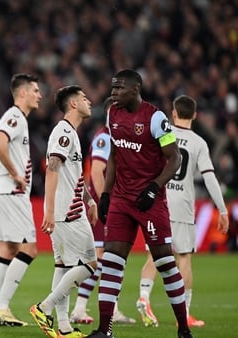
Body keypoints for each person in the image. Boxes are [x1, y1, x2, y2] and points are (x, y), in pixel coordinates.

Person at [86, 69, 192, 338]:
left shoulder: (155, 118)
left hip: (149, 200)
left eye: (118, 88)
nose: (113, 93)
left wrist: (155, 188)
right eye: (112, 88)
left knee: (166, 262)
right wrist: (106, 194)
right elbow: (113, 157)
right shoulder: (113, 114)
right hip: (121, 198)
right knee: (111, 261)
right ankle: (104, 329)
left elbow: (175, 158)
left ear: (135, 90)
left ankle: (183, 329)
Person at [135, 95, 229, 328]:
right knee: (184, 257)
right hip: (183, 207)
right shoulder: (199, 143)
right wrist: (222, 209)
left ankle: (143, 297)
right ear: (195, 116)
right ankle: (184, 316)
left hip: (158, 201)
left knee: (154, 256)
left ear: (173, 114)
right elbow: (209, 178)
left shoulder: (162, 135)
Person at [28, 85, 98, 338]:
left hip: (68, 208)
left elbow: (74, 174)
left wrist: (89, 200)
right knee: (90, 264)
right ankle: (43, 307)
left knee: (63, 266)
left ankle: (65, 328)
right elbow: (53, 168)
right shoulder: (63, 132)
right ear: (73, 104)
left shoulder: (71, 133)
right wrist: (49, 209)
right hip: (67, 212)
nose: (89, 101)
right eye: (84, 97)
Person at [70, 97, 136, 325]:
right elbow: (96, 172)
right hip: (104, 206)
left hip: (116, 204)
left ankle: (107, 308)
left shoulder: (119, 138)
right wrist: (104, 203)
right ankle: (78, 307)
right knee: (100, 259)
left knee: (111, 259)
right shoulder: (105, 138)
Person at [0, 73, 42, 327]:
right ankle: (1, 307)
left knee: (8, 249)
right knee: (30, 248)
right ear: (22, 93)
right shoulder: (15, 116)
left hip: (2, 191)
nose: (39, 95)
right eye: (35, 90)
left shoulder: (17, 117)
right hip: (11, 191)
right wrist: (16, 175)